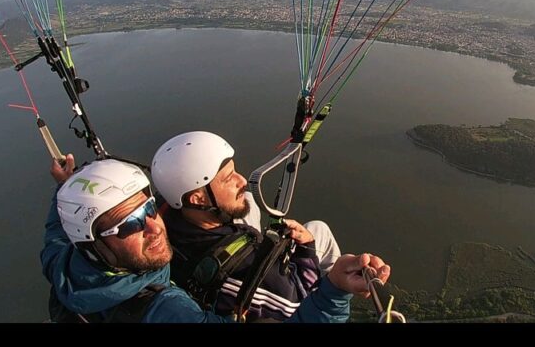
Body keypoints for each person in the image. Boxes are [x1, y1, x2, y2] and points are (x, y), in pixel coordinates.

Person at [43, 155, 390, 322]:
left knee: (253, 206)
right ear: (92, 243)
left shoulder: (65, 264)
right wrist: (331, 293)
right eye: (129, 224)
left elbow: (57, 234)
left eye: (149, 209)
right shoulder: (166, 310)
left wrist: (66, 185)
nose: (154, 226)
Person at [151, 131, 340, 321]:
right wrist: (307, 250)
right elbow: (295, 304)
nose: (242, 180)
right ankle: (344, 279)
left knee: (248, 199)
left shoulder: (164, 213)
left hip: (212, 247)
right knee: (319, 228)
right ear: (198, 198)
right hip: (258, 283)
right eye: (228, 178)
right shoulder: (244, 271)